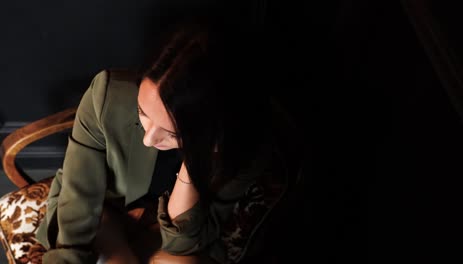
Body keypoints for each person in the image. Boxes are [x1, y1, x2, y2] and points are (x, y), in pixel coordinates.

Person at [36, 16, 303, 264]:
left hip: (170, 234)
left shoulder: (243, 149)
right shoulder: (107, 96)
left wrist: (193, 163)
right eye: (143, 113)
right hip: (105, 210)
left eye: (173, 132)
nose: (149, 139)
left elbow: (182, 243)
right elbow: (79, 194)